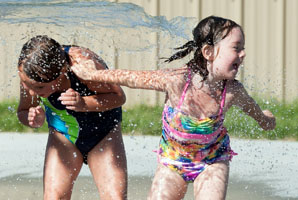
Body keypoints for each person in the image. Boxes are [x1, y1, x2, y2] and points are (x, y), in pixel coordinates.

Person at [71, 16, 276, 199]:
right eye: (236, 47)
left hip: (212, 160)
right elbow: (132, 77)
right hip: (172, 162)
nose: (243, 54)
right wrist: (93, 75)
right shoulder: (177, 81)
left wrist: (265, 120)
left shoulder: (232, 91)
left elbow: (253, 110)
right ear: (208, 52)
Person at [17, 35, 128, 200]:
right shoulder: (30, 71)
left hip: (103, 135)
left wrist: (84, 103)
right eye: (26, 84)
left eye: (39, 87)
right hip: (63, 135)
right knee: (54, 197)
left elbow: (119, 97)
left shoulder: (84, 65)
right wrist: (33, 119)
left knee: (115, 197)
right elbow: (23, 111)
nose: (31, 92)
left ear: (61, 73)